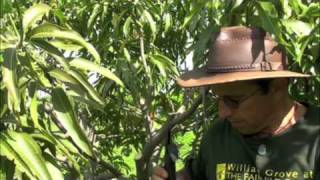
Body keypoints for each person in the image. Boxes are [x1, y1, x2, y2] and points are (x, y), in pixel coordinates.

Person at [152, 26, 319, 180]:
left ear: (277, 87)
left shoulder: (314, 137)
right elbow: (198, 174)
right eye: (220, 99)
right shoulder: (219, 135)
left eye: (234, 100)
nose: (223, 113)